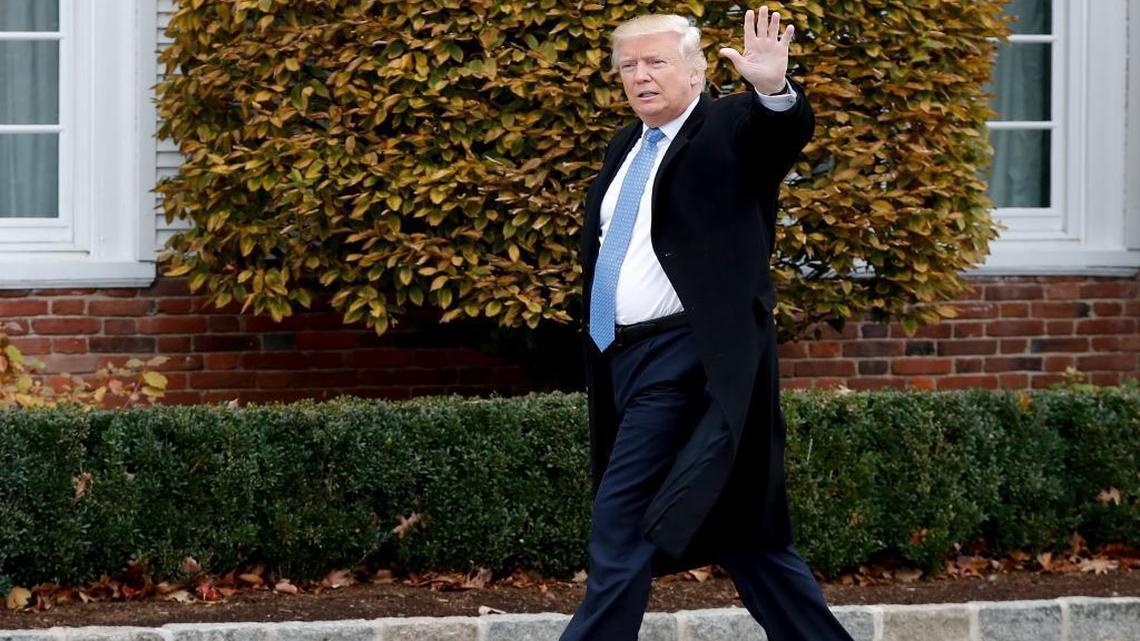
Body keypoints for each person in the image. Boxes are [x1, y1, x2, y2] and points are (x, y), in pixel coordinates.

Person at [564, 8, 855, 641]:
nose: (640, 77)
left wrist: (774, 91)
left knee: (620, 521)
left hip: (686, 357)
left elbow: (780, 134)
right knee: (745, 535)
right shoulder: (626, 146)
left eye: (657, 62)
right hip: (625, 360)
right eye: (628, 66)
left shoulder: (727, 128)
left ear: (697, 72)